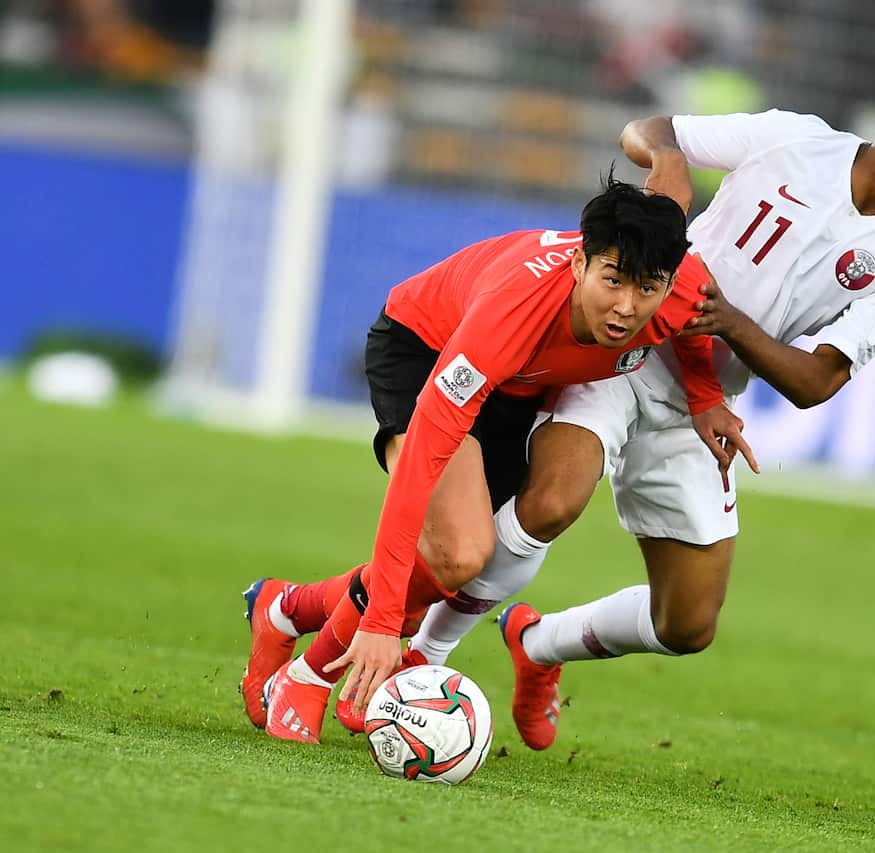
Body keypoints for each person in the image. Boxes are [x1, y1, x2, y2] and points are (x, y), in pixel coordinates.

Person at [404, 48, 875, 751]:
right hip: (627, 349)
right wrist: (668, 156)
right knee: (554, 499)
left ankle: (536, 642)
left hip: (706, 403)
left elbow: (816, 382)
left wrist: (732, 325)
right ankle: (423, 658)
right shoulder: (793, 138)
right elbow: (649, 127)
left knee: (687, 623)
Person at [242, 177, 756, 743]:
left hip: (516, 391)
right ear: (580, 264)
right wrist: (384, 625)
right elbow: (417, 471)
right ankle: (307, 677)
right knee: (458, 551)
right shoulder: (511, 314)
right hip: (428, 352)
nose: (627, 307)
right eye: (612, 281)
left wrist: (706, 399)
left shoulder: (677, 286)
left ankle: (284, 609)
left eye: (647, 289)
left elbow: (690, 319)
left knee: (457, 560)